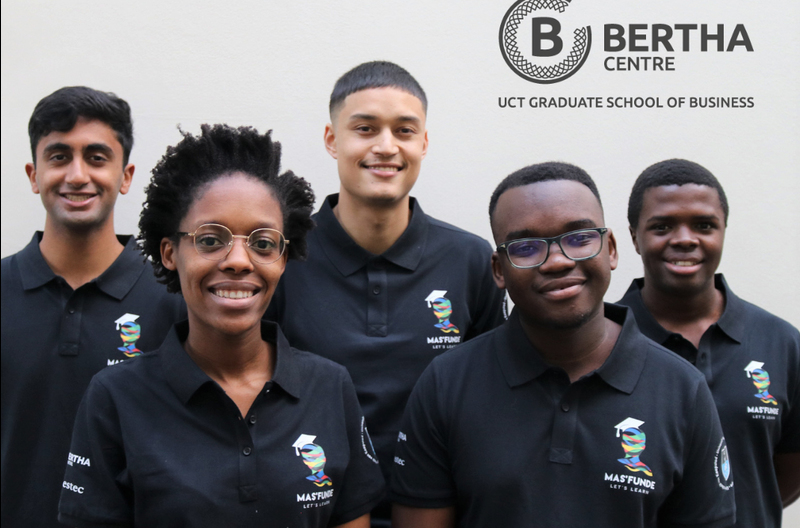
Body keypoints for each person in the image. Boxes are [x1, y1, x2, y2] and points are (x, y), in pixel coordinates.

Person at [58, 124, 385, 527]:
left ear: (283, 258)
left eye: (263, 242)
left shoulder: (331, 388)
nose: (239, 260)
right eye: (211, 240)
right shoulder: (115, 397)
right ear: (169, 253)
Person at [390, 162, 736, 527]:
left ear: (612, 248)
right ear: (498, 270)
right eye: (526, 247)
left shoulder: (683, 389)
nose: (557, 261)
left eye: (579, 238)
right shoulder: (446, 384)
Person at [266, 61, 505, 525]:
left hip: (443, 512)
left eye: (404, 130)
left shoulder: (472, 260)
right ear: (332, 140)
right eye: (365, 128)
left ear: (424, 143)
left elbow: (490, 399)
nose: (386, 147)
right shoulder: (279, 260)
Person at [1, 86, 185, 528]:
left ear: (125, 176)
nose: (77, 175)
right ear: (33, 174)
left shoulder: (174, 300)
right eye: (59, 156)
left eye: (97, 157)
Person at [617, 159, 800, 527]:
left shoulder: (781, 342)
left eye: (704, 225)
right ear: (634, 237)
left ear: (723, 232)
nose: (685, 238)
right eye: (662, 226)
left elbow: (787, 469)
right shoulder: (602, 340)